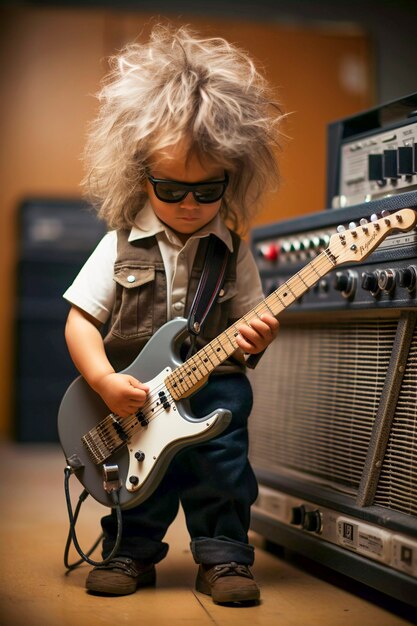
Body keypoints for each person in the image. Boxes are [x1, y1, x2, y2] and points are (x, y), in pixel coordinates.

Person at [63, 24, 283, 604]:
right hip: (134, 393)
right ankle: (128, 551)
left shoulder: (231, 251)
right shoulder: (118, 245)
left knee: (223, 473)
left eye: (207, 191)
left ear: (231, 178)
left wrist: (259, 334)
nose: (190, 204)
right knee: (139, 482)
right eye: (171, 188)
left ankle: (226, 559)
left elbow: (251, 326)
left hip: (218, 389)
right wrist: (103, 380)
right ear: (140, 175)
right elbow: (80, 320)